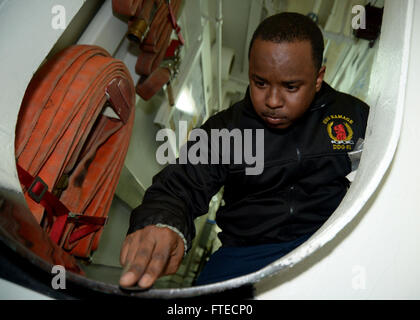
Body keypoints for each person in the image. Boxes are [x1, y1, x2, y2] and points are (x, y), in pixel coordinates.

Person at [119, 12, 370, 288]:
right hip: (245, 254)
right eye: (260, 83)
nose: (272, 101)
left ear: (318, 77)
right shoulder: (225, 130)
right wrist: (162, 222)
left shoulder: (353, 115)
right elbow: (181, 185)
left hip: (330, 240)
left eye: (290, 86)